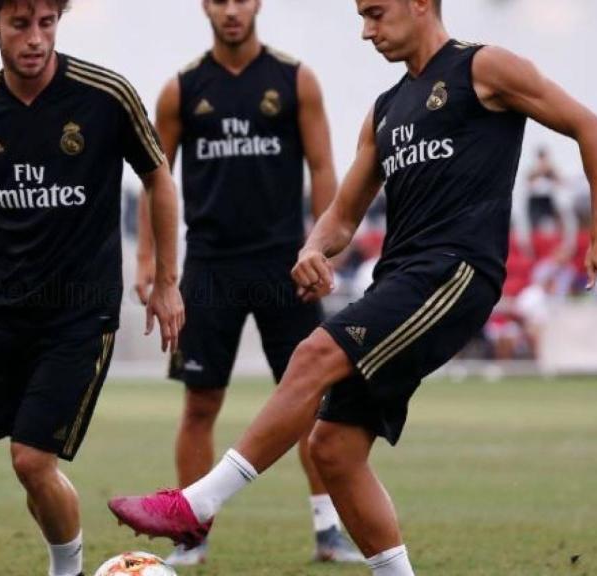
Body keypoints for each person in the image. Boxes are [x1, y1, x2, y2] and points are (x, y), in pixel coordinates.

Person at [108, 1, 597, 575]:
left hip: (455, 271)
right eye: (361, 16)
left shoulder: (485, 68)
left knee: (312, 355)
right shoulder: (385, 110)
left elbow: (595, 129)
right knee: (332, 448)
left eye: (376, 13)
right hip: (400, 277)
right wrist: (312, 249)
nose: (366, 31)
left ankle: (195, 504)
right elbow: (342, 215)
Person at [0, 1, 184, 575]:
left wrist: (167, 280)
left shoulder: (105, 95)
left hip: (77, 316)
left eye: (46, 23)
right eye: (21, 24)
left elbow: (157, 178)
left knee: (30, 461)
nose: (35, 39)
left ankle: (66, 570)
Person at [133, 0, 360, 566]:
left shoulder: (294, 79)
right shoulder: (180, 89)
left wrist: (323, 247)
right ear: (204, 6)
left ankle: (329, 531)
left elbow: (324, 168)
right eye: (219, 0)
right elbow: (154, 175)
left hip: (286, 265)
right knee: (201, 402)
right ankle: (193, 536)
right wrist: (146, 260)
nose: (231, 10)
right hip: (209, 266)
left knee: (315, 401)